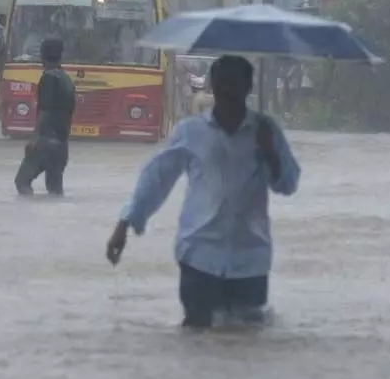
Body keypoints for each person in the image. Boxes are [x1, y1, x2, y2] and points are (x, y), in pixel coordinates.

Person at [105, 55, 301, 328]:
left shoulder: (266, 131)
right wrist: (125, 223)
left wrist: (270, 153)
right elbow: (157, 177)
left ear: (248, 88)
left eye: (235, 84)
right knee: (196, 340)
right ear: (213, 87)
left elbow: (288, 185)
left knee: (248, 342)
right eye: (222, 84)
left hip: (250, 261)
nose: (228, 92)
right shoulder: (191, 131)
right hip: (199, 256)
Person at [14, 37, 76, 196]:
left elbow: (45, 111)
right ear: (61, 56)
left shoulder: (48, 78)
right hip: (62, 146)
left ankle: (30, 218)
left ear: (42, 55)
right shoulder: (67, 79)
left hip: (46, 143)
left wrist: (34, 140)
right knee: (55, 189)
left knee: (22, 182)